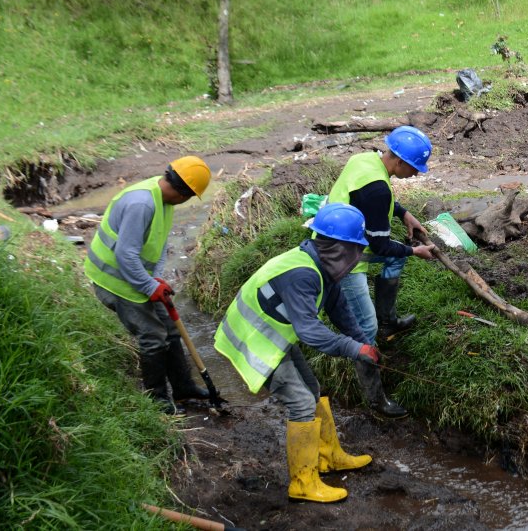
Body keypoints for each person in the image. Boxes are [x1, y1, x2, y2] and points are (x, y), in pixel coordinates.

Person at [213, 203, 383, 503]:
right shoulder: (303, 273)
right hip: (254, 338)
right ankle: (303, 483)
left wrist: (364, 342)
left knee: (313, 389)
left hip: (273, 334)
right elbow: (309, 331)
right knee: (301, 402)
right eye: (356, 249)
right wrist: (354, 348)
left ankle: (329, 457)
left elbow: (339, 311)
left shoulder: (323, 268)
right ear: (340, 247)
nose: (358, 256)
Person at [84, 156, 212, 414]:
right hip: (115, 282)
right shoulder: (141, 204)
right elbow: (125, 255)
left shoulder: (163, 200)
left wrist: (156, 279)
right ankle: (157, 399)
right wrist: (148, 285)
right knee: (153, 337)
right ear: (184, 194)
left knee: (171, 330)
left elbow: (159, 244)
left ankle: (183, 388)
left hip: (136, 278)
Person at [326, 126, 437, 414]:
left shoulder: (365, 161)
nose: (416, 174)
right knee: (366, 329)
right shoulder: (377, 189)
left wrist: (404, 214)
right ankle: (376, 399)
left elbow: (373, 199)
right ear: (399, 161)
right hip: (343, 258)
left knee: (395, 259)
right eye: (414, 168)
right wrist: (415, 250)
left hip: (339, 237)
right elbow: (379, 247)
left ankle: (389, 320)